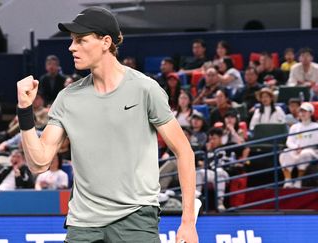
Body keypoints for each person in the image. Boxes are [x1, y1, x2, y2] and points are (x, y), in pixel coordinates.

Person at [16, 6, 197, 243]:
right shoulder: (68, 98)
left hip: (136, 218)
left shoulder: (145, 89)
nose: (72, 47)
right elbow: (39, 163)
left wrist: (188, 222)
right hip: (83, 224)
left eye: (80, 40)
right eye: (72, 41)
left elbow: (184, 152)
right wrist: (24, 110)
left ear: (105, 42)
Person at [279, 102, 318, 188]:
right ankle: (288, 180)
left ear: (311, 113)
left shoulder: (316, 126)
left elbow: (315, 141)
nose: (302, 114)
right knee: (285, 152)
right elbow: (289, 142)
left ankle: (299, 181)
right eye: (301, 111)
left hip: (312, 151)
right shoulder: (294, 127)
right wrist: (295, 147)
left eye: (305, 111)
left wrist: (302, 148)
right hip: (296, 149)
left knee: (305, 153)